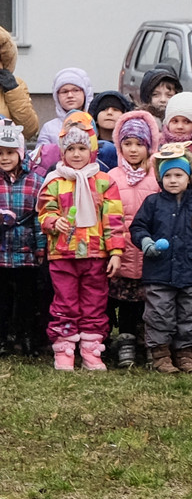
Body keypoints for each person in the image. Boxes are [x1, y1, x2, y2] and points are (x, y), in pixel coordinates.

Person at [39, 114, 127, 370]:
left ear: (92, 150)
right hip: (63, 254)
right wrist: (54, 221)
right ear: (63, 152)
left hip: (96, 255)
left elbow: (113, 219)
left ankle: (91, 349)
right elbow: (44, 211)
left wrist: (116, 252)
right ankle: (64, 348)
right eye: (71, 149)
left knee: (94, 303)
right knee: (65, 302)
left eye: (81, 148)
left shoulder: (105, 182)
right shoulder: (54, 182)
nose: (76, 154)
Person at [0, 123, 44, 356]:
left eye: (11, 152)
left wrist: (40, 247)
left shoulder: (36, 181)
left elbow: (39, 217)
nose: (5, 158)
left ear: (21, 154)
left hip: (26, 249)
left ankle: (25, 337)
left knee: (26, 297)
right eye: (0, 153)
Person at [104, 109, 161, 366]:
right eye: (128, 144)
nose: (134, 150)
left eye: (140, 144)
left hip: (150, 252)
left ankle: (147, 341)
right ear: (120, 146)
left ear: (150, 146)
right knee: (123, 301)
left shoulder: (157, 177)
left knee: (149, 302)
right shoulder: (112, 177)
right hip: (122, 251)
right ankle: (124, 340)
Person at [131, 147, 192, 371]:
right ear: (160, 178)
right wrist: (146, 241)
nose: (173, 180)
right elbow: (138, 227)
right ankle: (160, 354)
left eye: (179, 175)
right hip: (159, 272)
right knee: (159, 313)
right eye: (168, 175)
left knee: (188, 314)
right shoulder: (152, 203)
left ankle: (185, 353)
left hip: (188, 271)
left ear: (188, 177)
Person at [35, 67, 94, 155]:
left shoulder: (94, 123)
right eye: (64, 92)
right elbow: (40, 157)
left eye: (75, 90)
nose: (70, 95)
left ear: (85, 93)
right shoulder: (49, 128)